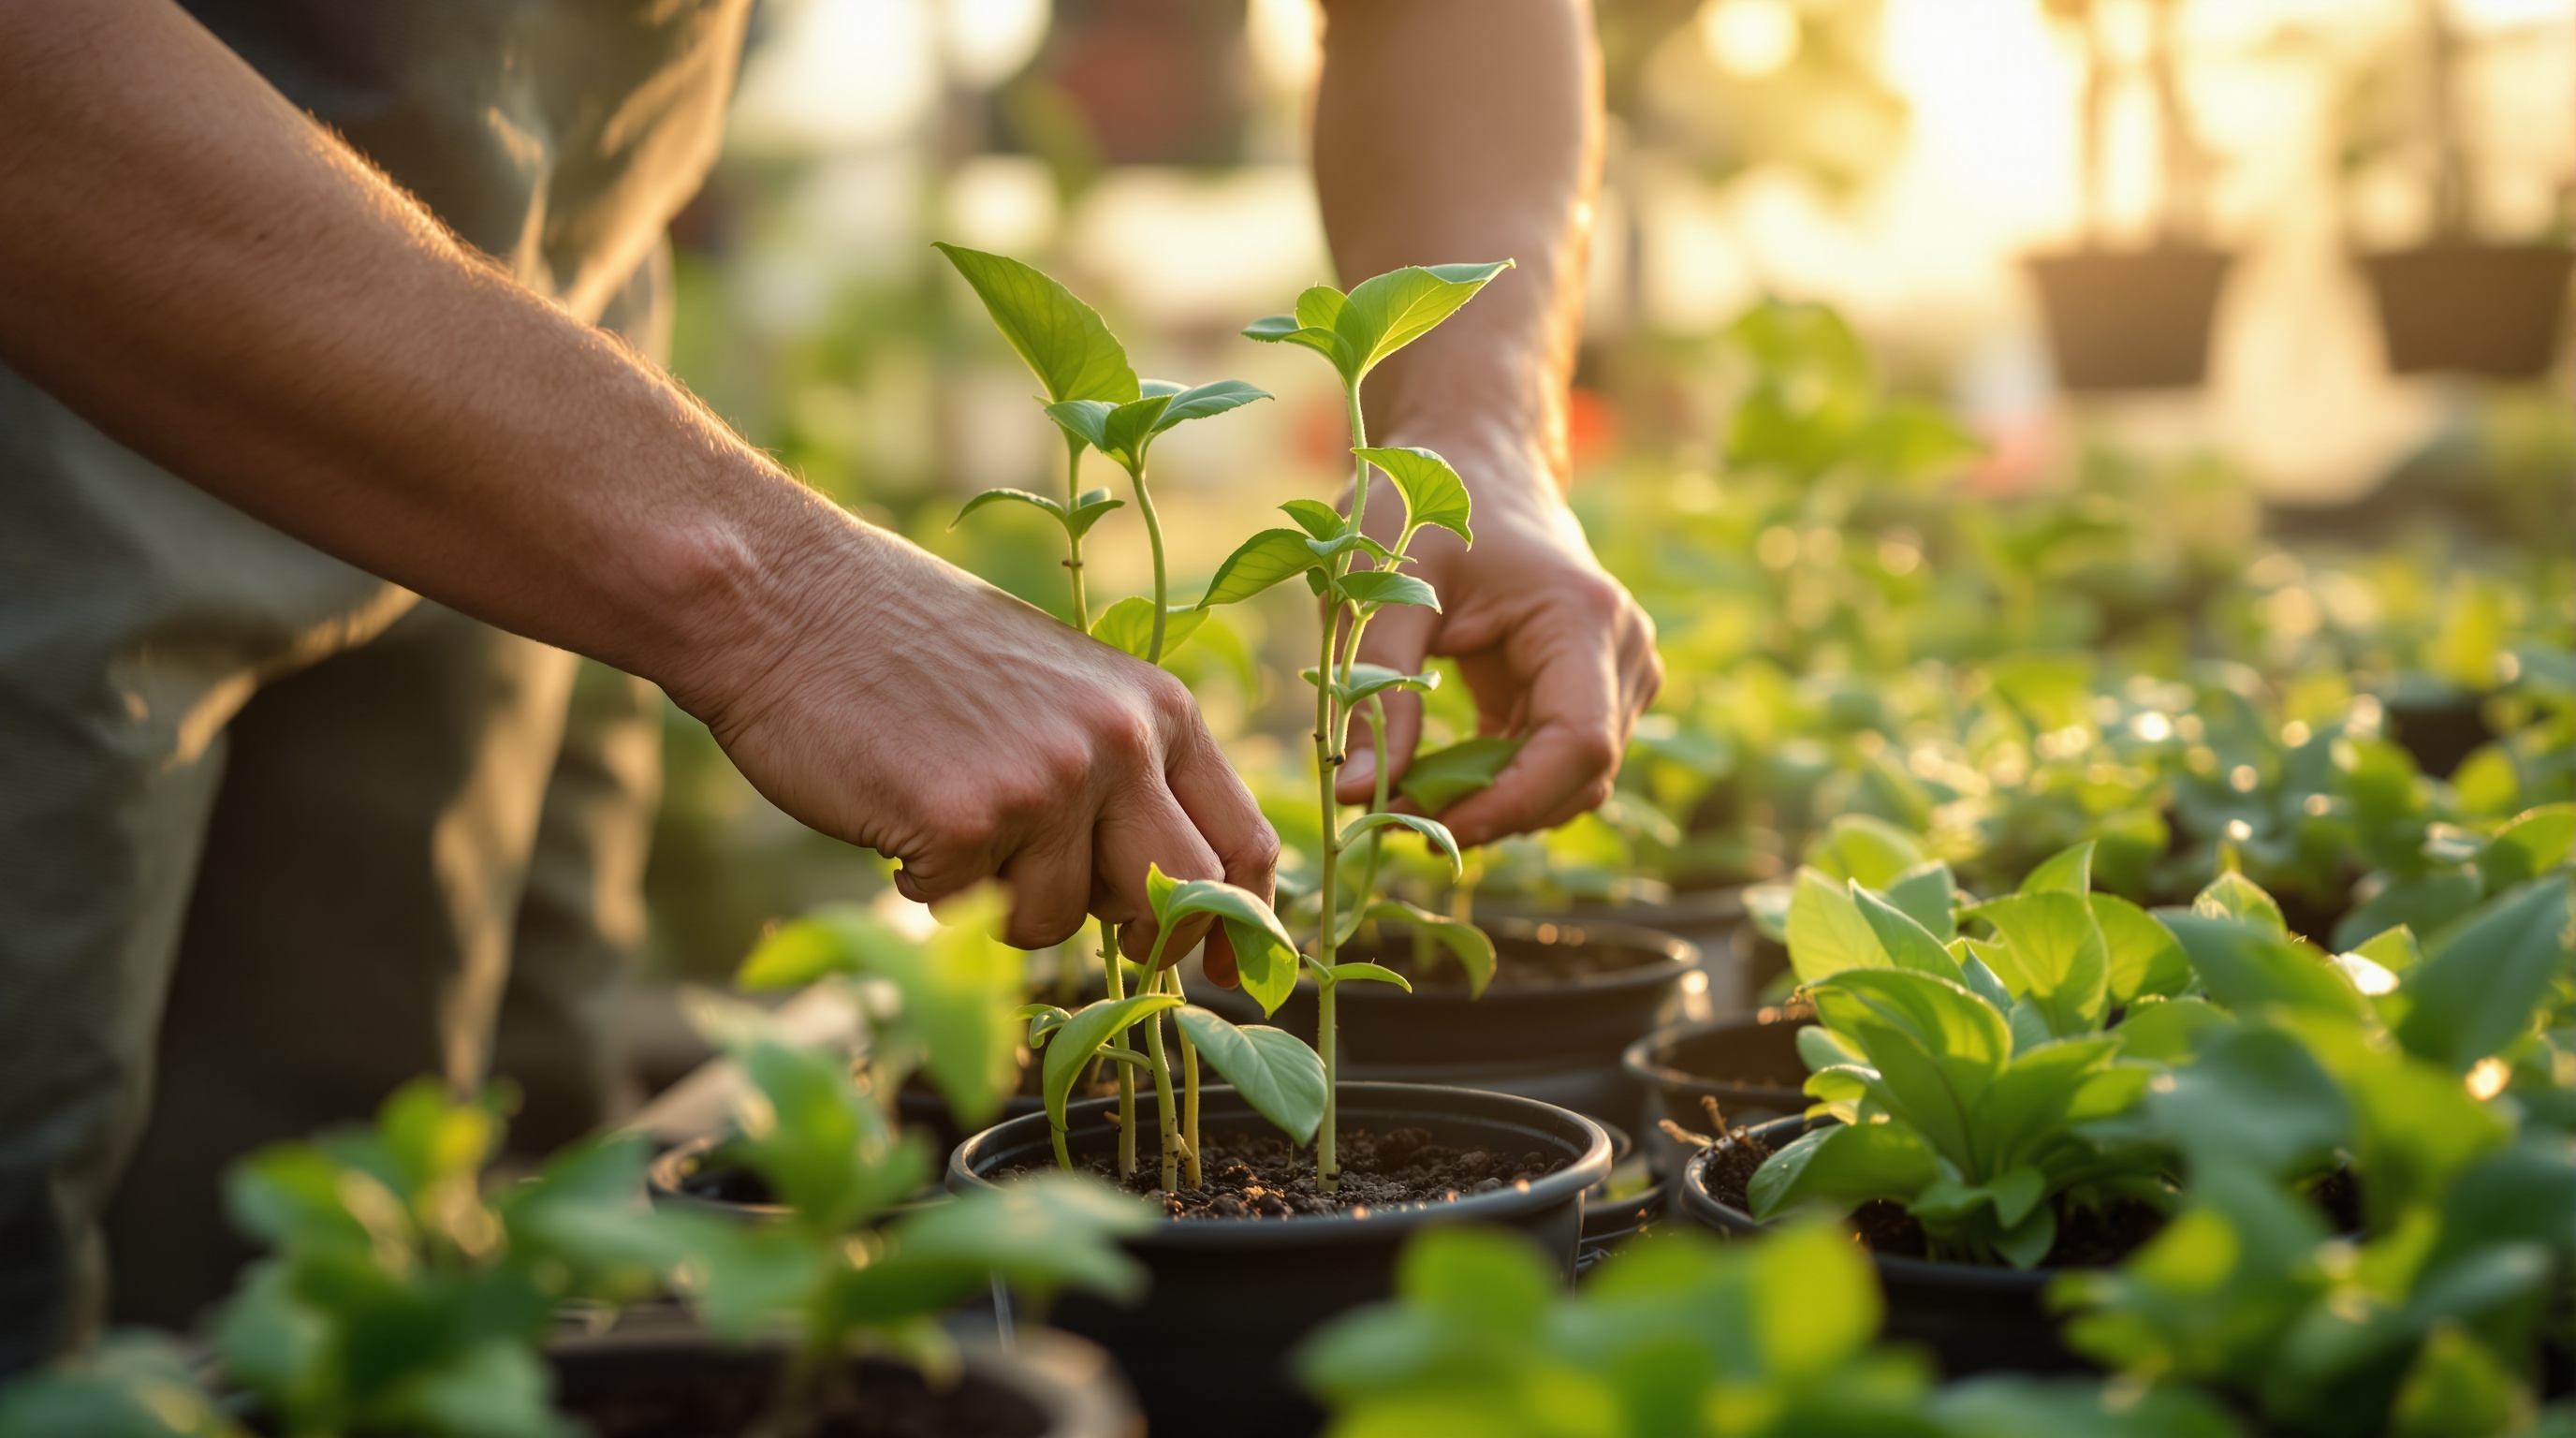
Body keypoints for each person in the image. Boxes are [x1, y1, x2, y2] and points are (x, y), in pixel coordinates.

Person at [0, 0, 1661, 1371]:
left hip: (526, 417)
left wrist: (1473, 430)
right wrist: (769, 593)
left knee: (387, 1273)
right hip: (70, 372)